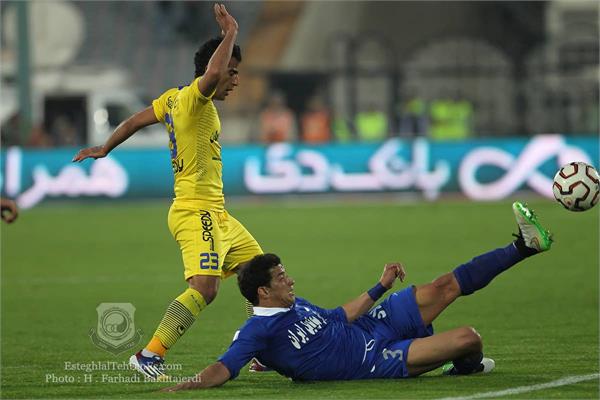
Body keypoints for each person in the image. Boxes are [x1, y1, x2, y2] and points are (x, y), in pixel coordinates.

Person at [162, 202, 553, 391]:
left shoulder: (293, 305)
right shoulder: (255, 332)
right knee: (469, 338)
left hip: (371, 326)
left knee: (443, 286)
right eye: (282, 278)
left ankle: (524, 247)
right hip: (372, 360)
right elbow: (223, 368)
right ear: (263, 291)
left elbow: (337, 316)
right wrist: (185, 385)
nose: (291, 280)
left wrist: (380, 287)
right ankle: (464, 367)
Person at [73, 4, 264, 379]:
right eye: (233, 72)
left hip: (215, 212)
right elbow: (210, 75)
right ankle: (149, 355)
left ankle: (259, 350)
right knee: (205, 289)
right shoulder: (195, 98)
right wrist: (230, 34)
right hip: (197, 211)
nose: (236, 80)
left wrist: (105, 147)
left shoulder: (173, 98)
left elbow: (133, 120)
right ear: (216, 68)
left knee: (260, 274)